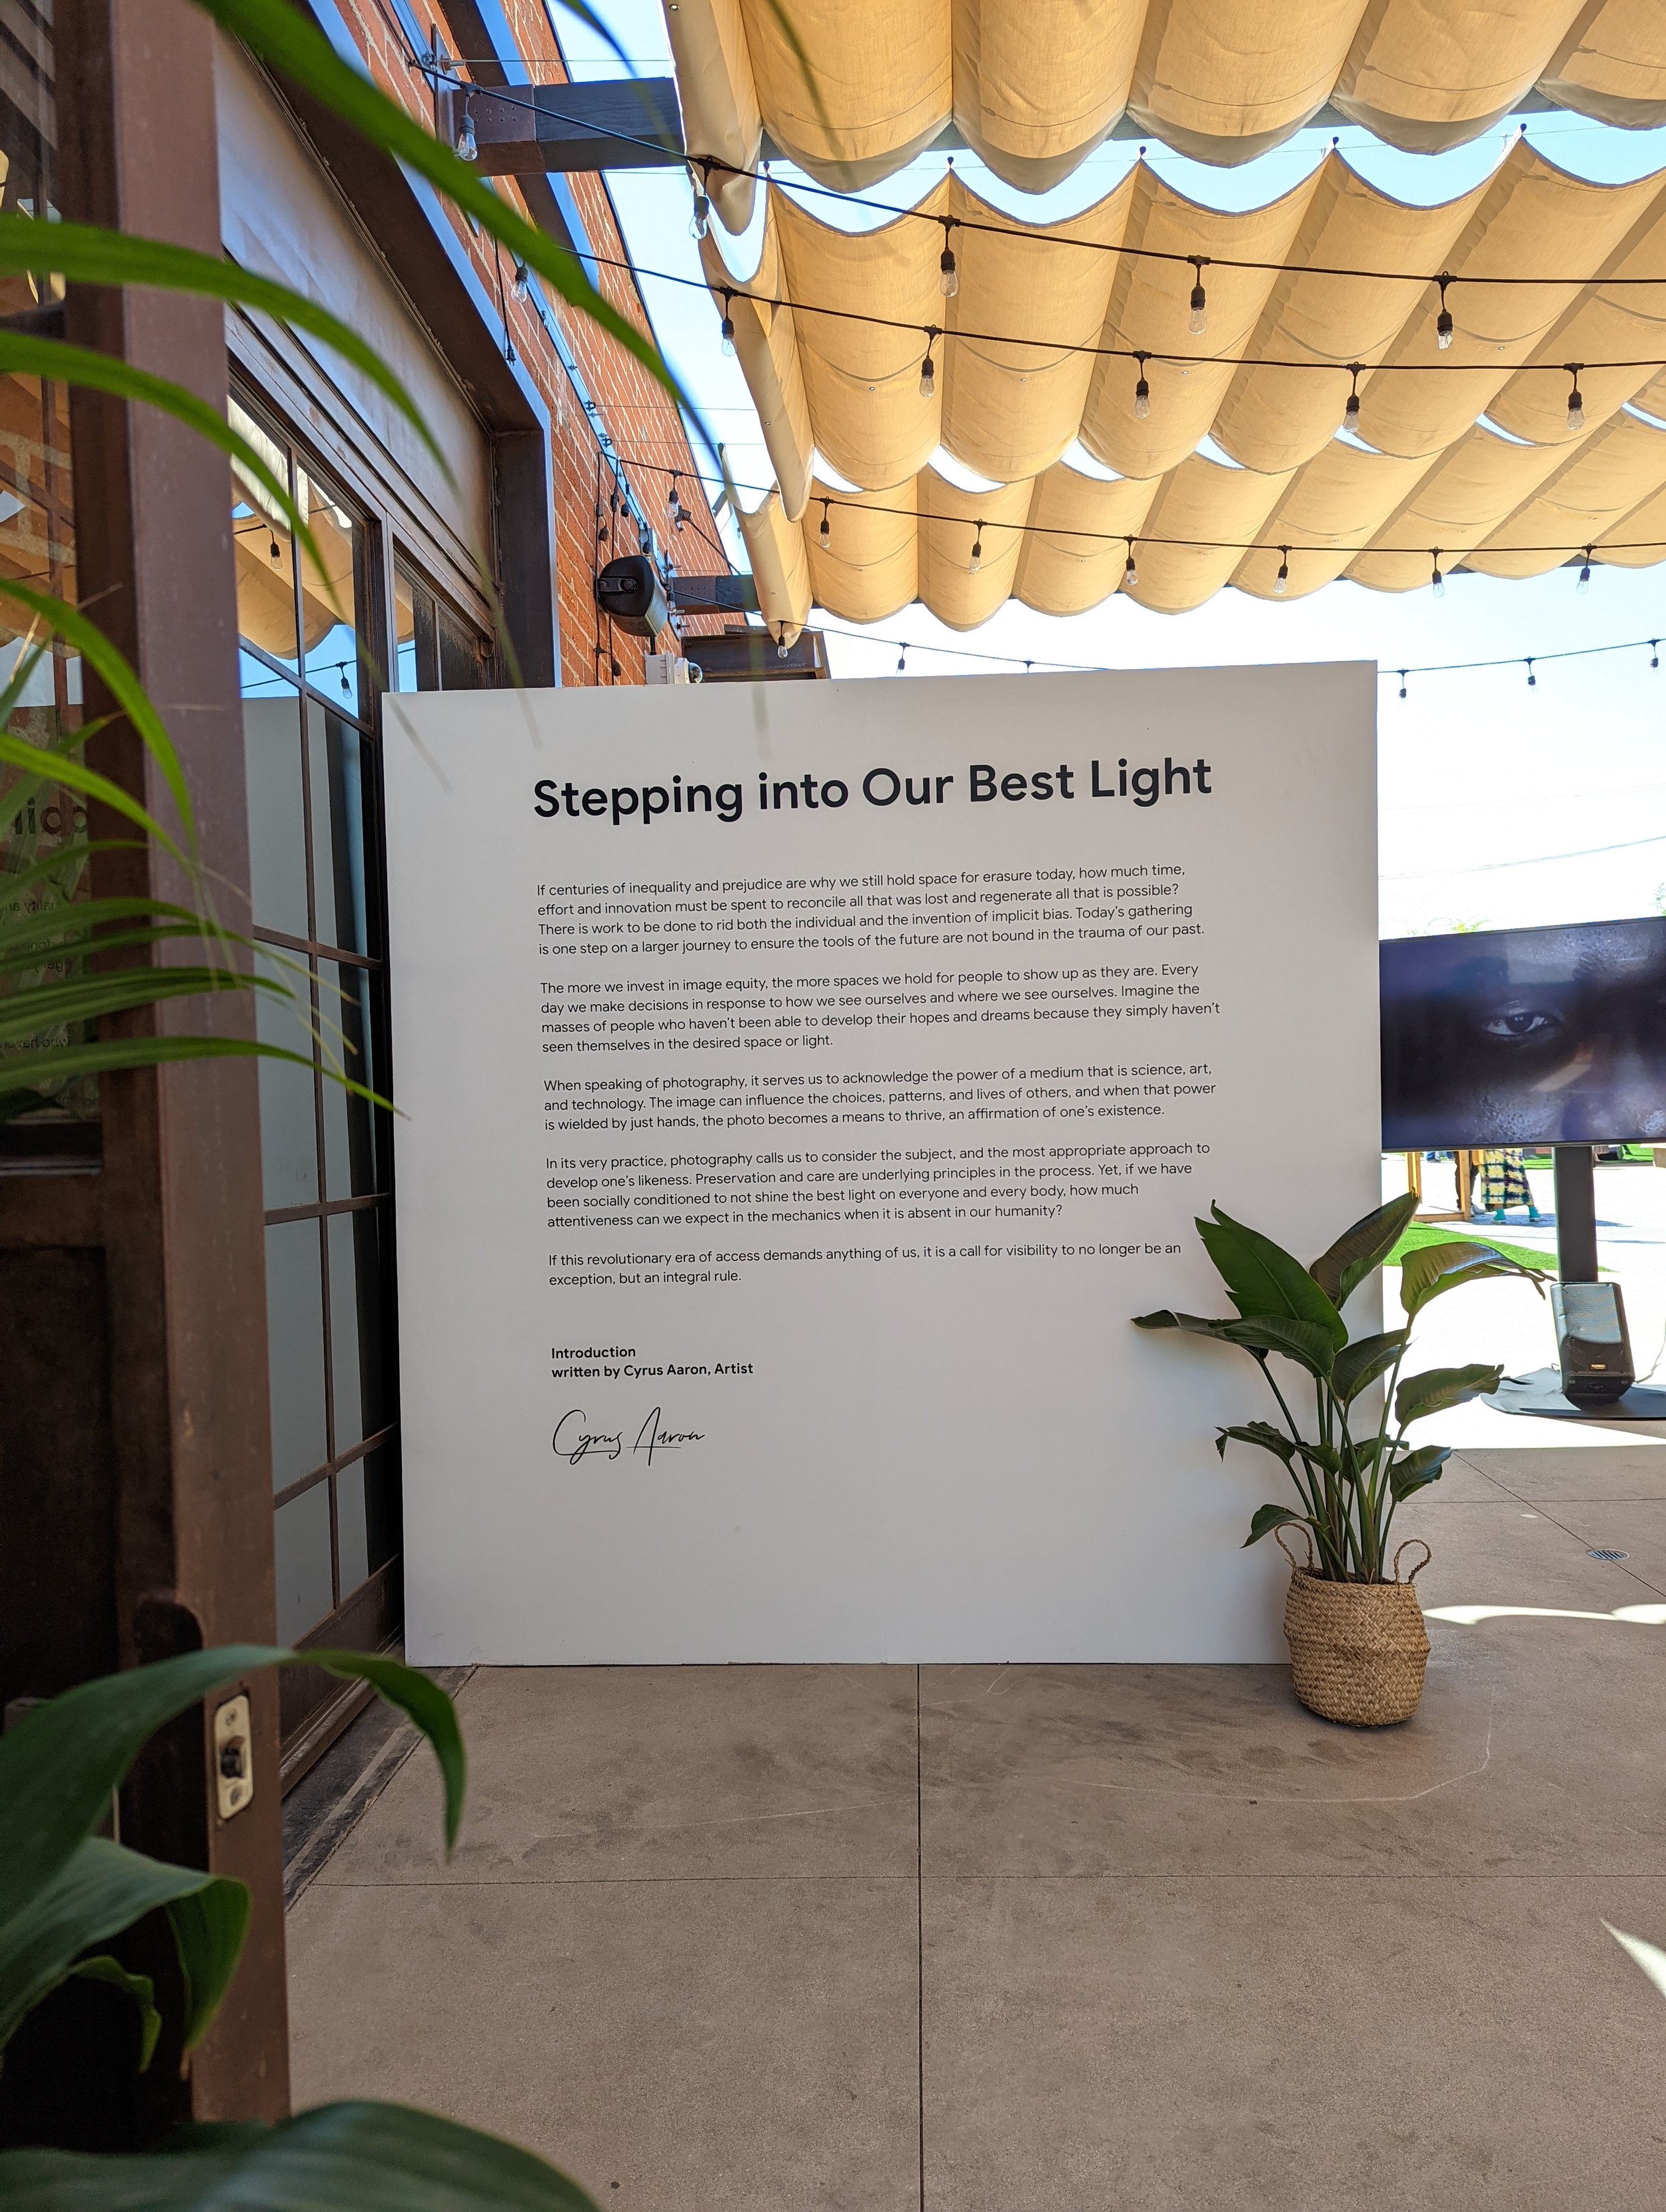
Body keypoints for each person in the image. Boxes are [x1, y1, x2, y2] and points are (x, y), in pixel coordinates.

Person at [1472, 1147, 1540, 1223]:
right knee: (1518, 1178)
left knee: (1495, 1181)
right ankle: (1533, 1211)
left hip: (1490, 1148)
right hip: (1512, 1147)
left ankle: (1500, 1214)